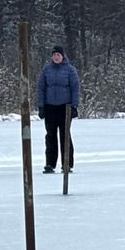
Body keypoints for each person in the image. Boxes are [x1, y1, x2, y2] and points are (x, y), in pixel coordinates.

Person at [35, 45, 80, 174]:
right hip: (50, 107)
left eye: (58, 55)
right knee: (50, 136)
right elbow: (40, 88)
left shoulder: (70, 70)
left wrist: (74, 106)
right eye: (54, 55)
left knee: (65, 136)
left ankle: (67, 164)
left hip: (65, 107)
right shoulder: (46, 70)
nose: (56, 57)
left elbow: (75, 88)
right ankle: (50, 163)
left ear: (63, 56)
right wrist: (41, 106)